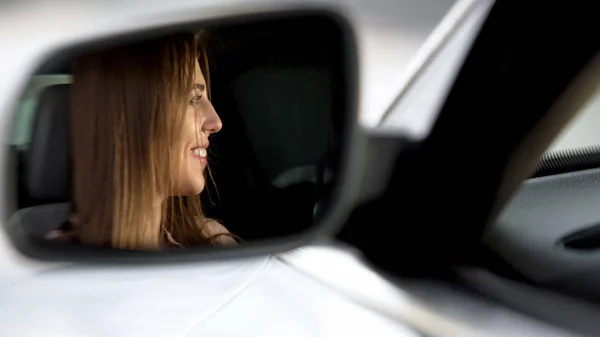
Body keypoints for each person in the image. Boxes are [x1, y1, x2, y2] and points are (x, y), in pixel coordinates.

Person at [48, 32, 238, 249]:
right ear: (131, 119)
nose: (216, 122)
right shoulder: (51, 267)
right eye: (193, 99)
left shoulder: (214, 241)